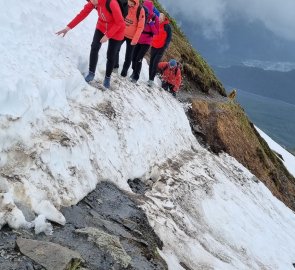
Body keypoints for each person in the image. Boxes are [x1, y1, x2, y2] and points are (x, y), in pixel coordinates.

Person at [56, 0, 125, 89]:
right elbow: (82, 15)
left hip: (117, 30)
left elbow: (119, 22)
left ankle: (107, 77)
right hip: (102, 26)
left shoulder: (112, 3)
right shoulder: (93, 2)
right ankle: (91, 73)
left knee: (111, 55)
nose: (91, 2)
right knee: (94, 47)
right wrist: (68, 28)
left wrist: (108, 35)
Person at [114, 0, 145, 77]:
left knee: (128, 55)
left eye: (131, 2)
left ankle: (124, 72)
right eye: (129, 1)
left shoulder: (140, 10)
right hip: (122, 32)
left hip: (132, 37)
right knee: (115, 49)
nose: (129, 4)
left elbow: (140, 27)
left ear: (135, 2)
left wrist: (135, 40)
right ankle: (115, 66)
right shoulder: (125, 5)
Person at [130, 0, 159, 83]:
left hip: (147, 42)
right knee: (133, 57)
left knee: (139, 58)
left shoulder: (155, 18)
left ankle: (136, 76)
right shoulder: (141, 13)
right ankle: (134, 71)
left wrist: (151, 24)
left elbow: (156, 32)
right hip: (138, 39)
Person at [148, 13, 172, 86]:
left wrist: (165, 46)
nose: (160, 18)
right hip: (154, 46)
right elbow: (153, 31)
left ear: (164, 18)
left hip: (161, 48)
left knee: (155, 63)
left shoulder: (167, 27)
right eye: (159, 17)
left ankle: (151, 80)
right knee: (151, 62)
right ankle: (149, 78)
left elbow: (169, 37)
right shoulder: (156, 23)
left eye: (161, 17)